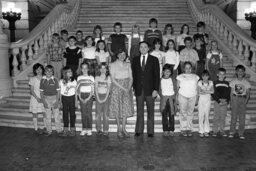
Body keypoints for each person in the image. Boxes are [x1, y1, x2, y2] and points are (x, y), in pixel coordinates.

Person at [132, 41, 160, 137]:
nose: (143, 49)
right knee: (140, 111)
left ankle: (150, 131)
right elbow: (134, 75)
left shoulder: (154, 59)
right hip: (139, 89)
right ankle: (139, 130)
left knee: (150, 111)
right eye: (141, 47)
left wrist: (156, 89)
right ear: (139, 49)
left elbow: (157, 75)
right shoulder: (135, 60)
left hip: (150, 90)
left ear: (148, 48)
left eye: (145, 47)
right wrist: (134, 87)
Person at [109, 49, 134, 138]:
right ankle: (119, 129)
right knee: (117, 108)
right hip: (117, 87)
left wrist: (128, 87)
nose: (122, 56)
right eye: (120, 54)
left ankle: (124, 129)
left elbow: (131, 77)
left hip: (127, 87)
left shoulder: (128, 64)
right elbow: (113, 80)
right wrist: (124, 88)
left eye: (124, 54)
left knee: (125, 108)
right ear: (117, 55)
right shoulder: (112, 64)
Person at [176, 61, 199, 137]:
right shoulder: (180, 76)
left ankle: (189, 129)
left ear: (191, 68)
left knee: (190, 113)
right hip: (182, 96)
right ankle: (183, 129)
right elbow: (177, 87)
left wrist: (197, 98)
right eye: (186, 68)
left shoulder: (195, 77)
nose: (188, 69)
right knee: (183, 113)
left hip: (193, 96)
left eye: (189, 68)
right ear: (183, 69)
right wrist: (176, 97)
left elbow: (197, 88)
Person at [229, 65, 251, 140]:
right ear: (236, 72)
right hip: (235, 99)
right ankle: (232, 132)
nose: (240, 72)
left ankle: (241, 133)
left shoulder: (246, 83)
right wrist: (231, 102)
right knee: (234, 117)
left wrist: (246, 101)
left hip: (242, 99)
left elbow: (248, 93)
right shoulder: (233, 82)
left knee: (242, 118)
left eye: (242, 71)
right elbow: (231, 93)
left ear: (244, 73)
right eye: (238, 71)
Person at [40, 65, 62, 136]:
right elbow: (41, 92)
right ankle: (49, 130)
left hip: (54, 98)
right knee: (48, 117)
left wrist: (57, 101)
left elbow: (58, 91)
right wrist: (44, 101)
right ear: (45, 72)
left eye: (51, 71)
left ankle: (59, 130)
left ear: (53, 72)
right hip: (46, 99)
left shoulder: (55, 80)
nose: (49, 72)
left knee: (56, 116)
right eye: (47, 71)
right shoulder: (42, 80)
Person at [76, 62, 95, 136]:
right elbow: (77, 89)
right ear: (81, 69)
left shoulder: (91, 78)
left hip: (89, 96)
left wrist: (89, 97)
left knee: (89, 113)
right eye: (83, 68)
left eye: (86, 68)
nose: (84, 69)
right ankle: (84, 128)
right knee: (83, 113)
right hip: (81, 95)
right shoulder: (79, 78)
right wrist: (80, 97)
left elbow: (92, 89)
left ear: (88, 69)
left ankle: (89, 129)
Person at [211, 68, 230, 137]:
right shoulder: (215, 83)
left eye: (223, 74)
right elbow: (213, 93)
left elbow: (228, 93)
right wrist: (218, 101)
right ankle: (214, 131)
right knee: (216, 117)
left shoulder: (227, 83)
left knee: (223, 117)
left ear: (225, 75)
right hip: (217, 101)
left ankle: (222, 131)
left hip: (224, 101)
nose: (221, 75)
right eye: (220, 74)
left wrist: (227, 101)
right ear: (217, 74)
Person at [59, 66, 77, 136]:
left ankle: (72, 128)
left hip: (72, 98)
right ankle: (65, 128)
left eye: (71, 71)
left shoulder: (74, 81)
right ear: (65, 73)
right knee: (65, 114)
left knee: (72, 114)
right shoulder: (61, 81)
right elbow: (60, 92)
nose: (71, 72)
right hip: (64, 98)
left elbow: (76, 92)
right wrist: (60, 101)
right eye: (69, 71)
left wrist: (76, 101)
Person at [29, 63, 46, 135]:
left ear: (42, 69)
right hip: (35, 99)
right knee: (35, 113)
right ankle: (36, 128)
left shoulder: (45, 78)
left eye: (40, 69)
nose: (39, 70)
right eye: (37, 69)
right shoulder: (32, 79)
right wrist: (37, 98)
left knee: (45, 113)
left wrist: (44, 97)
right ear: (35, 71)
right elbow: (31, 91)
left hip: (43, 98)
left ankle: (45, 127)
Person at [95, 64, 111, 136]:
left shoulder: (108, 78)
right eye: (101, 68)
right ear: (99, 69)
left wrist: (105, 98)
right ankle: (98, 129)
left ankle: (105, 129)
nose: (103, 70)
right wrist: (97, 98)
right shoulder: (97, 78)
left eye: (104, 68)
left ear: (107, 69)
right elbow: (95, 88)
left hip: (106, 96)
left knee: (105, 114)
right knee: (98, 114)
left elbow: (109, 89)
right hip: (98, 96)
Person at [159, 64, 176, 137]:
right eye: (166, 71)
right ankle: (165, 129)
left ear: (171, 72)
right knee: (164, 116)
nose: (167, 73)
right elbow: (160, 90)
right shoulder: (161, 80)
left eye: (169, 71)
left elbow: (175, 89)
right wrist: (162, 97)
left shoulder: (172, 79)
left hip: (171, 99)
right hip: (164, 100)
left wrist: (174, 97)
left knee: (171, 115)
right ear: (163, 72)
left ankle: (171, 129)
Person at [197, 70, 213, 137]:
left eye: (206, 76)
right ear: (202, 76)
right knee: (201, 115)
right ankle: (201, 131)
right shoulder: (200, 82)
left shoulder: (211, 82)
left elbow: (212, 91)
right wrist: (207, 91)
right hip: (201, 100)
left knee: (206, 115)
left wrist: (204, 91)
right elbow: (198, 92)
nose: (205, 77)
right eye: (203, 76)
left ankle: (206, 130)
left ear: (208, 76)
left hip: (208, 100)